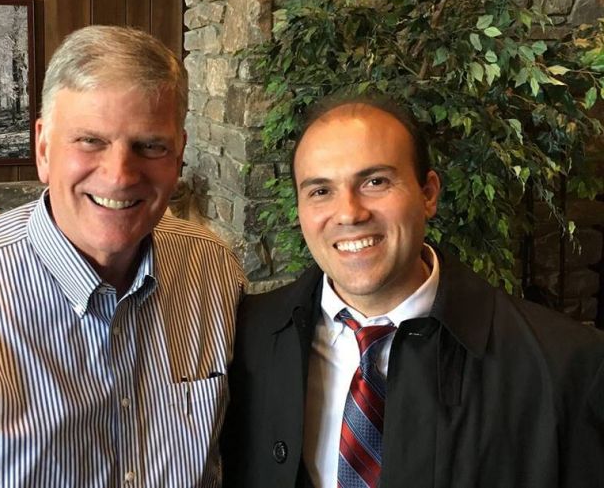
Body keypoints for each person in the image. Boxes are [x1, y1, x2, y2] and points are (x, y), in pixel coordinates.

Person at [0, 26, 246, 487]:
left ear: (178, 157)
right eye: (91, 140)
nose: (119, 175)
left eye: (150, 145)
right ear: (42, 149)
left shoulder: (214, 271)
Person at [221, 95, 604, 488]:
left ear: (429, 194)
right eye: (321, 191)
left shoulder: (565, 367)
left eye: (375, 182)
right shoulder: (244, 337)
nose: (350, 213)